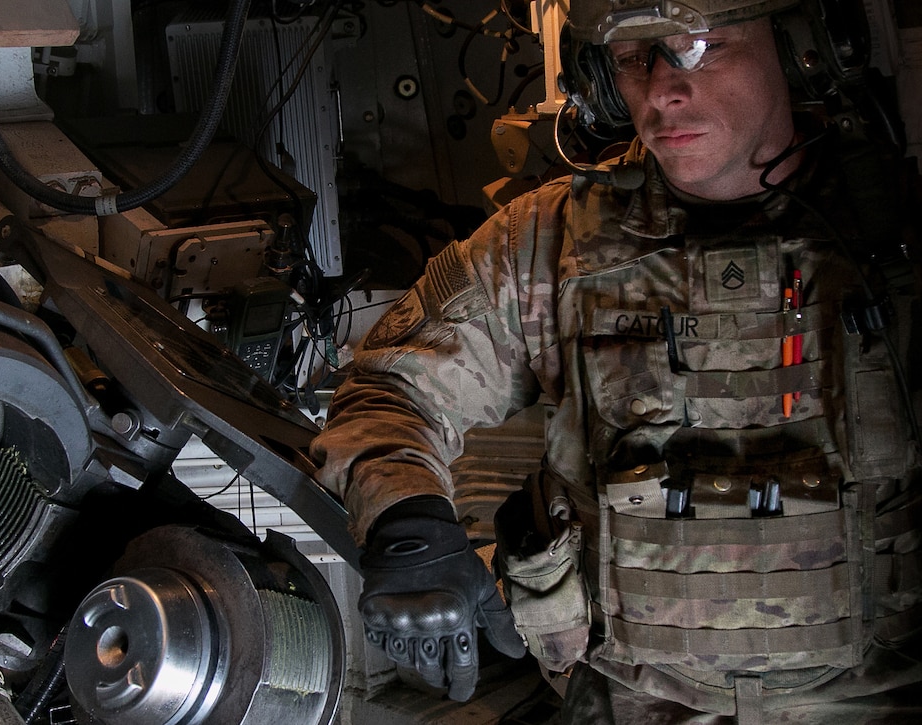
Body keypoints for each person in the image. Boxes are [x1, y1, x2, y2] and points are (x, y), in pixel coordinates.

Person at [313, 0, 922, 721]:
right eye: (634, 61)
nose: (663, 89)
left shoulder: (894, 230)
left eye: (698, 46)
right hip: (625, 702)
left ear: (794, 45)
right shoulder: (550, 240)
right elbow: (391, 387)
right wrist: (408, 520)